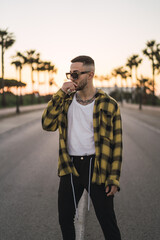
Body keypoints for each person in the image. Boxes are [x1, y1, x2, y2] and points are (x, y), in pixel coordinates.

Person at [42, 55, 123, 240]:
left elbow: (117, 145)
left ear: (90, 74)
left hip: (97, 166)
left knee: (107, 221)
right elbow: (47, 124)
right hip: (70, 166)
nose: (72, 78)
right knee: (65, 219)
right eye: (70, 74)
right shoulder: (65, 101)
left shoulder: (109, 104)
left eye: (76, 74)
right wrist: (60, 93)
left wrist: (114, 178)